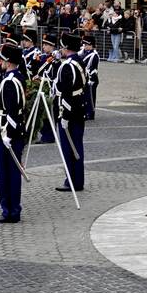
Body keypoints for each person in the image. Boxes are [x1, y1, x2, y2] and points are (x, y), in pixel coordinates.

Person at [0, 44, 26, 223]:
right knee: (10, 173)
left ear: (8, 61)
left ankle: (10, 211)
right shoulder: (16, 77)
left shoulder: (10, 82)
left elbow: (12, 111)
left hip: (6, 133)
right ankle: (11, 209)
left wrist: (8, 135)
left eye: (2, 59)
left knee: (7, 175)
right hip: (10, 132)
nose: (0, 62)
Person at [54, 33, 86, 192]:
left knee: (69, 148)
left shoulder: (68, 66)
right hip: (79, 109)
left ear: (66, 48)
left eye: (62, 46)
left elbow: (66, 93)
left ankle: (71, 181)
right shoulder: (79, 62)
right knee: (77, 147)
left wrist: (65, 116)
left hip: (70, 112)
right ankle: (77, 180)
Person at [81, 35, 99, 119]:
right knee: (85, 97)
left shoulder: (94, 55)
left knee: (91, 97)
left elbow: (93, 69)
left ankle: (91, 113)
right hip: (84, 78)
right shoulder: (82, 52)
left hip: (92, 79)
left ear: (91, 45)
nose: (85, 46)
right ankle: (85, 112)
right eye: (84, 44)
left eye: (86, 44)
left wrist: (91, 79)